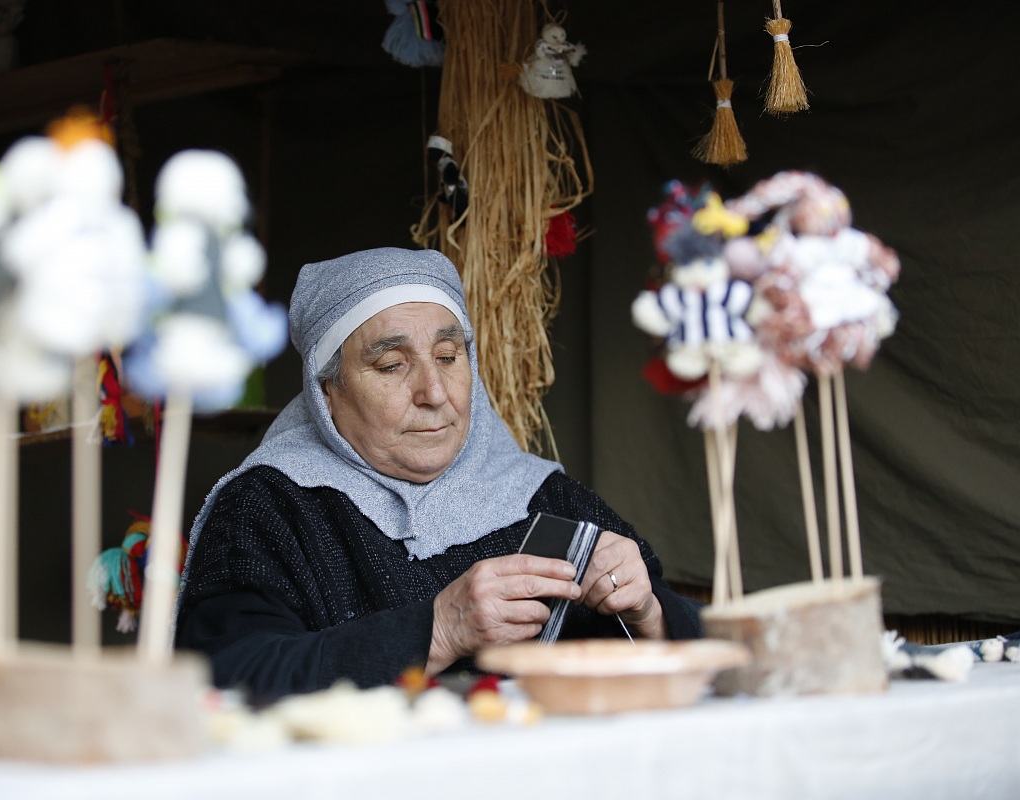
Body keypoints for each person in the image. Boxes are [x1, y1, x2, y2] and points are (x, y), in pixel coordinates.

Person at [175, 247, 703, 698]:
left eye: (449, 357)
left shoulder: (538, 493)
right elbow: (225, 679)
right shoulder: (266, 508)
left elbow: (703, 653)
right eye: (392, 366)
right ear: (326, 391)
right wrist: (439, 630)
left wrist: (650, 615)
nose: (434, 393)